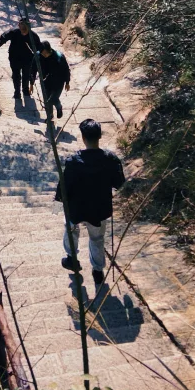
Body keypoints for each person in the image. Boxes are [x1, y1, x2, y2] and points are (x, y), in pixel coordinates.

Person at [55, 118, 125, 290]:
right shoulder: (110, 159)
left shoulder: (73, 162)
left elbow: (64, 187)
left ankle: (72, 258)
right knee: (97, 238)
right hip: (99, 208)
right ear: (99, 136)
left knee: (70, 229)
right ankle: (97, 271)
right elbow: (119, 183)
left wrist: (58, 201)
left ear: (83, 137)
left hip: (76, 208)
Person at [3, 17, 38, 100]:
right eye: (22, 29)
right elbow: (3, 37)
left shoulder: (33, 35)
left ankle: (25, 90)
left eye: (25, 30)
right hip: (14, 58)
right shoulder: (13, 32)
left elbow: (39, 47)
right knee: (16, 76)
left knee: (26, 75)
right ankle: (17, 92)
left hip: (27, 59)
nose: (23, 32)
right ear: (18, 25)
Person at [38, 39, 70, 118]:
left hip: (58, 82)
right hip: (46, 82)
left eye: (44, 52)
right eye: (42, 53)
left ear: (48, 50)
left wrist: (67, 82)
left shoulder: (59, 57)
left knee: (53, 99)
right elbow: (34, 68)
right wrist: (31, 82)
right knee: (47, 100)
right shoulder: (39, 56)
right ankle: (50, 116)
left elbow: (66, 69)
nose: (43, 54)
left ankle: (59, 108)